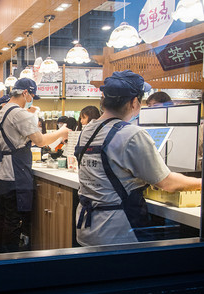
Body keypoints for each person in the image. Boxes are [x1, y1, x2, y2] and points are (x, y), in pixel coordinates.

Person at [74, 70, 201, 247]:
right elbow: (167, 183)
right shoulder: (131, 134)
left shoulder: (86, 131)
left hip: (87, 227)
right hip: (118, 232)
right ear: (134, 102)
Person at [0, 78, 70, 253]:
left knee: (2, 217)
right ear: (25, 93)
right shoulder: (19, 114)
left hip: (0, 173)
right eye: (32, 94)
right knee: (13, 220)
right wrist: (61, 132)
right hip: (15, 174)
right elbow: (40, 141)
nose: (32, 98)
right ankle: (10, 260)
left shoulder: (0, 113)